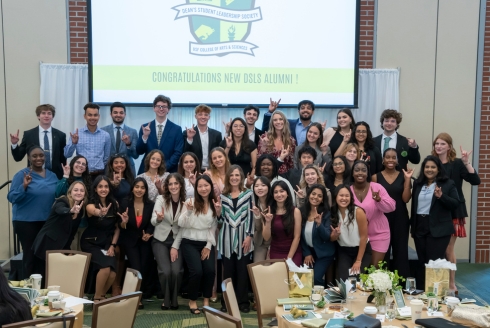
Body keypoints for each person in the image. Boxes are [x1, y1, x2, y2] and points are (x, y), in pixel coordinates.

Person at [432, 133, 480, 292]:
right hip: (436, 210)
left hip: (453, 210)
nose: (439, 146)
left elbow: (475, 181)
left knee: (448, 249)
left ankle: (452, 283)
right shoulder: (432, 162)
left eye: (442, 144)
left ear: (449, 147)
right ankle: (439, 281)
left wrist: (467, 163)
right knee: (438, 248)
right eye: (437, 143)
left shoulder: (458, 163)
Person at [7, 146, 58, 278]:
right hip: (25, 222)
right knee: (30, 255)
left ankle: (42, 288)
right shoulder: (22, 175)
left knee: (43, 256)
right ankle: (28, 288)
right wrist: (24, 186)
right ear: (29, 158)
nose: (38, 158)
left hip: (46, 223)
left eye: (41, 155)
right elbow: (12, 197)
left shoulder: (52, 175)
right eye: (34, 156)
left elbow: (59, 195)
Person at [411, 156, 460, 289]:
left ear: (438, 169)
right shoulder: (418, 184)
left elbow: (455, 203)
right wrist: (413, 228)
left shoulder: (448, 183)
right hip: (420, 226)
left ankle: (436, 294)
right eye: (427, 167)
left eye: (433, 167)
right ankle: (422, 292)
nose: (430, 169)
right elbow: (414, 206)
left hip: (439, 228)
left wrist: (441, 196)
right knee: (422, 262)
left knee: (434, 263)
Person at [177, 175, 220, 315]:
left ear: (210, 187)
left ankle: (206, 299)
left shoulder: (215, 203)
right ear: (196, 188)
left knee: (210, 271)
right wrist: (188, 212)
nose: (203, 188)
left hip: (206, 242)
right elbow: (180, 223)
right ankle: (193, 300)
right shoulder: (190, 201)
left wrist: (208, 245)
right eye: (200, 186)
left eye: (206, 185)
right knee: (196, 271)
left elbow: (214, 226)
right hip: (189, 241)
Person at [372, 148, 413, 278]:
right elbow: (372, 199)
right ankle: (382, 283)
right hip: (381, 218)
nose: (390, 160)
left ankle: (400, 284)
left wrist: (407, 180)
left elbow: (406, 199)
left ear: (397, 160)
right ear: (383, 160)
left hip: (400, 218)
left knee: (400, 251)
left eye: (393, 157)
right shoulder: (375, 176)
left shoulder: (404, 176)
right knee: (382, 251)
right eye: (387, 157)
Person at [218, 166, 254, 313]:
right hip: (226, 238)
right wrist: (218, 212)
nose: (234, 177)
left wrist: (249, 236)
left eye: (237, 175)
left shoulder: (248, 194)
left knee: (242, 271)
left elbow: (251, 216)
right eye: (231, 175)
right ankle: (226, 302)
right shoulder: (223, 195)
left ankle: (243, 302)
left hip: (243, 237)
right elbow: (220, 221)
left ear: (241, 177)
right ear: (228, 177)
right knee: (228, 272)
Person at [32, 181, 88, 274]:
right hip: (47, 244)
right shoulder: (63, 200)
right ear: (70, 192)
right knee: (43, 275)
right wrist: (70, 210)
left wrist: (67, 251)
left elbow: (71, 234)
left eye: (82, 191)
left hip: (61, 247)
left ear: (84, 194)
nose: (79, 192)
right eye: (76, 190)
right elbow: (60, 209)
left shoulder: (80, 210)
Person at [81, 176, 121, 301]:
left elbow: (117, 228)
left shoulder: (115, 204)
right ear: (95, 189)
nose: (103, 189)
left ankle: (101, 296)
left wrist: (113, 245)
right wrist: (101, 212)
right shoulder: (90, 204)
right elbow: (94, 211)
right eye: (100, 186)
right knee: (105, 268)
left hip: (106, 243)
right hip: (90, 242)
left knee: (113, 273)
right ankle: (98, 298)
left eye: (106, 186)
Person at [350, 160, 396, 267]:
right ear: (352, 173)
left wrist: (379, 200)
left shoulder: (377, 187)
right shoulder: (348, 190)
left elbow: (392, 207)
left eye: (363, 170)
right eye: (357, 170)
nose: (360, 173)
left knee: (373, 268)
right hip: (358, 236)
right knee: (361, 269)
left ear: (368, 173)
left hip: (379, 233)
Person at [118, 178, 155, 309]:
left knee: (144, 267)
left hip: (145, 241)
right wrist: (125, 221)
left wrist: (148, 233)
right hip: (129, 240)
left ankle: (139, 292)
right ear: (132, 188)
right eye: (137, 187)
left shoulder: (151, 204)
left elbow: (152, 223)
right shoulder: (124, 202)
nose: (139, 190)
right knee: (136, 267)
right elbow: (121, 226)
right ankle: (136, 297)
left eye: (142, 188)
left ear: (146, 190)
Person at [151, 173, 186, 311]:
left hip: (178, 240)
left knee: (176, 271)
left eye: (176, 183)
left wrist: (175, 246)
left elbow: (184, 227)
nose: (173, 186)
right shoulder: (160, 198)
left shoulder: (187, 202)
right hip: (160, 239)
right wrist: (159, 219)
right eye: (170, 184)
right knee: (165, 271)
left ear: (181, 185)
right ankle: (166, 300)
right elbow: (154, 220)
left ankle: (174, 298)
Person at [10, 104, 66, 179]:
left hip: (55, 176)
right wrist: (14, 144)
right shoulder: (28, 134)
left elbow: (63, 158)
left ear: (52, 117)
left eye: (49, 113)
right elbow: (18, 157)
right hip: (34, 176)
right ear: (38, 116)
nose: (46, 116)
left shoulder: (60, 135)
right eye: (43, 113)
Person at [330, 185, 371, 280]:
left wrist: (358, 261)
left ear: (351, 197)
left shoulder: (358, 212)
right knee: (344, 280)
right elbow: (332, 238)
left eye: (347, 196)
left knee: (356, 280)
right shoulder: (333, 212)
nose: (344, 198)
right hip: (344, 251)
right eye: (341, 195)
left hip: (361, 250)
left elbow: (364, 237)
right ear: (335, 196)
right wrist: (334, 235)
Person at [136, 95, 184, 173]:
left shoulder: (176, 129)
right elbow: (139, 151)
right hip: (147, 170)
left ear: (168, 109)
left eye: (164, 106)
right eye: (158, 106)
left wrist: (163, 167)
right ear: (154, 108)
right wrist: (145, 136)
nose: (161, 109)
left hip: (168, 171)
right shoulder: (145, 127)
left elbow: (178, 152)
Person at [64, 103, 111, 178]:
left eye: (95, 115)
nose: (93, 117)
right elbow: (67, 154)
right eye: (90, 115)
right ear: (85, 116)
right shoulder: (76, 134)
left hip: (99, 175)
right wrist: (73, 143)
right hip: (81, 174)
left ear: (99, 116)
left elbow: (106, 158)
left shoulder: (106, 135)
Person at [300, 184, 335, 285]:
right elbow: (299, 236)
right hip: (309, 252)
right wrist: (306, 253)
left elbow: (326, 236)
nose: (315, 197)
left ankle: (322, 297)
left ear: (323, 199)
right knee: (305, 280)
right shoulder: (302, 211)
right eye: (313, 194)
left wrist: (319, 224)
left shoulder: (326, 213)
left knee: (315, 278)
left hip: (324, 253)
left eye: (319, 196)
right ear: (308, 195)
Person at [56, 155, 92, 251]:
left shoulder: (88, 181)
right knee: (71, 252)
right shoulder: (66, 179)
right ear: (72, 164)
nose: (80, 165)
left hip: (84, 223)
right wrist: (65, 176)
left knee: (82, 254)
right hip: (69, 224)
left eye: (83, 164)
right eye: (78, 162)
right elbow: (57, 194)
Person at [262, 180, 302, 266]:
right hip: (275, 251)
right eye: (275, 192)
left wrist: (289, 258)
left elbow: (297, 237)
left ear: (287, 193)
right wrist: (268, 222)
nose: (279, 194)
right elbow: (266, 237)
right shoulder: (268, 212)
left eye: (282, 191)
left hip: (293, 252)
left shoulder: (295, 211)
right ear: (272, 195)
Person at [101, 102, 139, 175]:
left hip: (128, 170)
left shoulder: (132, 132)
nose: (118, 115)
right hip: (108, 170)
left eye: (121, 113)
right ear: (111, 114)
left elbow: (135, 155)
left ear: (125, 114)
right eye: (115, 112)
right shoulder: (103, 131)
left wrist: (128, 144)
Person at [183, 104, 223, 171]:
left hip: (213, 169)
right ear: (196, 116)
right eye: (200, 114)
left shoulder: (217, 134)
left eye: (206, 115)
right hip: (194, 169)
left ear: (209, 117)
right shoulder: (187, 133)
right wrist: (189, 138)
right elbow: (185, 153)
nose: (203, 117)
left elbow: (220, 153)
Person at [257, 110, 296, 174]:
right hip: (268, 174)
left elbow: (291, 163)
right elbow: (259, 160)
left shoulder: (291, 140)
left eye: (281, 119)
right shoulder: (265, 137)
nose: (278, 122)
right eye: (275, 120)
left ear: (284, 121)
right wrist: (263, 147)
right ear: (272, 123)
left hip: (285, 175)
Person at [251, 176, 272, 263]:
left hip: (274, 242)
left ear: (268, 187)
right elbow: (258, 228)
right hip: (259, 242)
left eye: (263, 185)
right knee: (257, 269)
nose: (260, 188)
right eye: (256, 186)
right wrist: (257, 216)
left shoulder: (274, 203)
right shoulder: (253, 204)